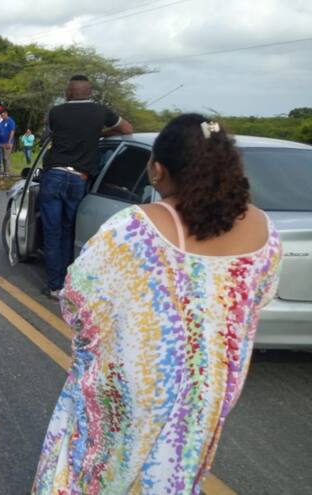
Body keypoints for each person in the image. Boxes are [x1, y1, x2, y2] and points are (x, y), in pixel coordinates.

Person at [32, 114, 283, 494]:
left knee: (98, 473)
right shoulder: (265, 231)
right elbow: (257, 300)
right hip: (209, 391)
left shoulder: (134, 226)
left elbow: (79, 297)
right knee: (172, 473)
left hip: (134, 385)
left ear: (158, 170)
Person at [39, 74, 134, 298]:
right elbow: (127, 129)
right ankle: (69, 283)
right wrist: (99, 134)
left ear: (69, 92)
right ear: (90, 92)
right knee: (69, 230)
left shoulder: (56, 112)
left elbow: (52, 135)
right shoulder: (101, 112)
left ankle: (55, 286)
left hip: (54, 176)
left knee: (51, 231)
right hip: (79, 179)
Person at [0, 109, 17, 176]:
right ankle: (4, 171)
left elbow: (12, 131)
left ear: (6, 114)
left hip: (8, 142)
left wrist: (9, 142)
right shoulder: (1, 122)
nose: (2, 116)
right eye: (1, 115)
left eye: (3, 115)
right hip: (1, 142)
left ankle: (8, 172)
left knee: (6, 157)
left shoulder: (10, 121)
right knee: (2, 158)